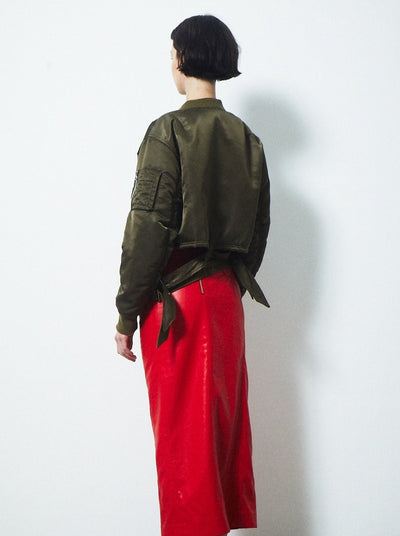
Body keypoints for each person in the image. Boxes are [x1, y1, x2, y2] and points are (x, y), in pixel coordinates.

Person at [114, 14, 271, 536]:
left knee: (184, 447)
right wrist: (227, 282)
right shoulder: (247, 139)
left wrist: (127, 312)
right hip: (224, 301)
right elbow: (258, 232)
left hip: (177, 306)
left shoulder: (168, 131)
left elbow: (147, 227)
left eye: (171, 54)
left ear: (181, 58)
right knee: (220, 438)